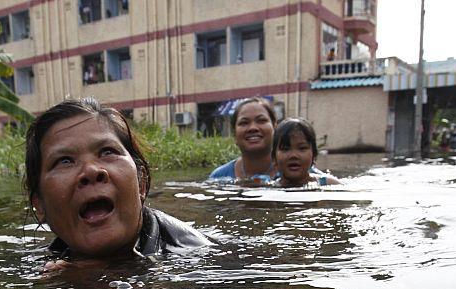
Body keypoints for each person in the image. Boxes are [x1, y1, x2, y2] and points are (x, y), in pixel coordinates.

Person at [25, 98, 211, 262]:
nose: (91, 170)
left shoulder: (201, 258)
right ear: (40, 205)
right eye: (64, 161)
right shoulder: (42, 266)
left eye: (107, 152)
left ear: (141, 182)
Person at [208, 97, 277, 183]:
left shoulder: (291, 171)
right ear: (234, 135)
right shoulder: (219, 177)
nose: (253, 128)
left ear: (275, 127)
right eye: (244, 123)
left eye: (261, 120)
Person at [272, 117, 340, 187]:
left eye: (302, 148)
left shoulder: (330, 184)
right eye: (285, 149)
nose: (293, 155)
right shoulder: (269, 189)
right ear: (274, 158)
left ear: (314, 156)